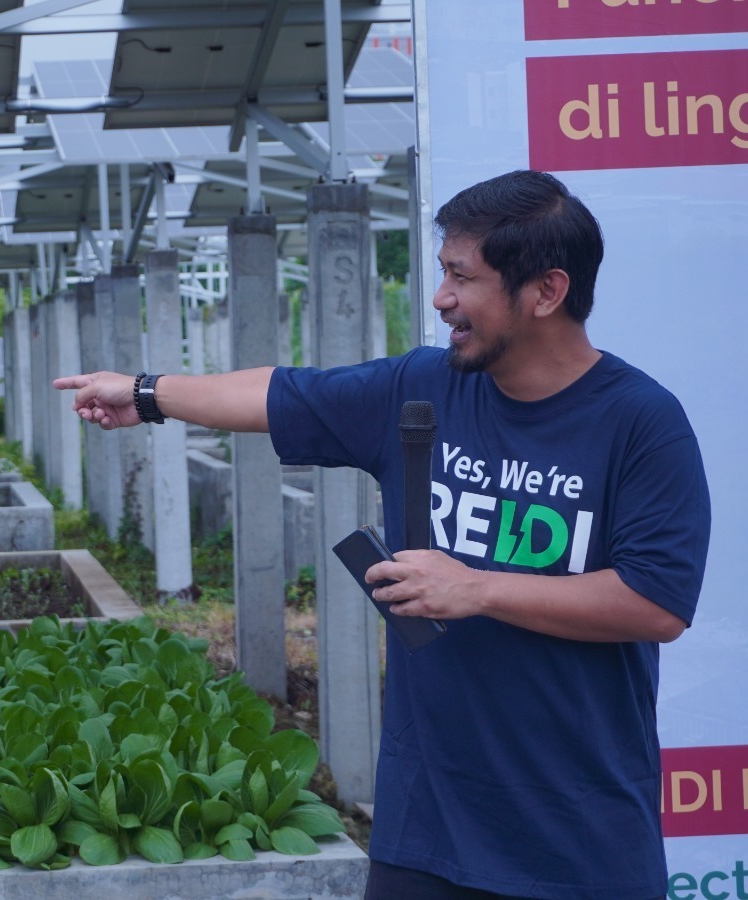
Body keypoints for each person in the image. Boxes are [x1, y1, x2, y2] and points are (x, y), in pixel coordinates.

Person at [54, 170, 710, 900]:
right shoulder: (423, 388)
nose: (441, 300)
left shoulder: (641, 422)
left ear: (546, 292)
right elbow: (279, 391)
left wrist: (476, 588)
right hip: (427, 829)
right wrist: (146, 394)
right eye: (442, 273)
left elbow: (656, 602)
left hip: (578, 840)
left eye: (463, 278)